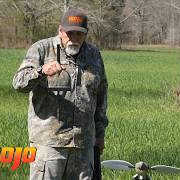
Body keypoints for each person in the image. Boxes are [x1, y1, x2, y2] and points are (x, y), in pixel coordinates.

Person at [12, 8, 108, 180]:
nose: (74, 38)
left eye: (79, 34)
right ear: (60, 30)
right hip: (49, 146)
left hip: (83, 146)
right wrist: (40, 71)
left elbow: (101, 96)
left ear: (86, 34)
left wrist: (99, 134)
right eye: (69, 33)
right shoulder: (42, 49)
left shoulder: (94, 55)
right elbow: (18, 83)